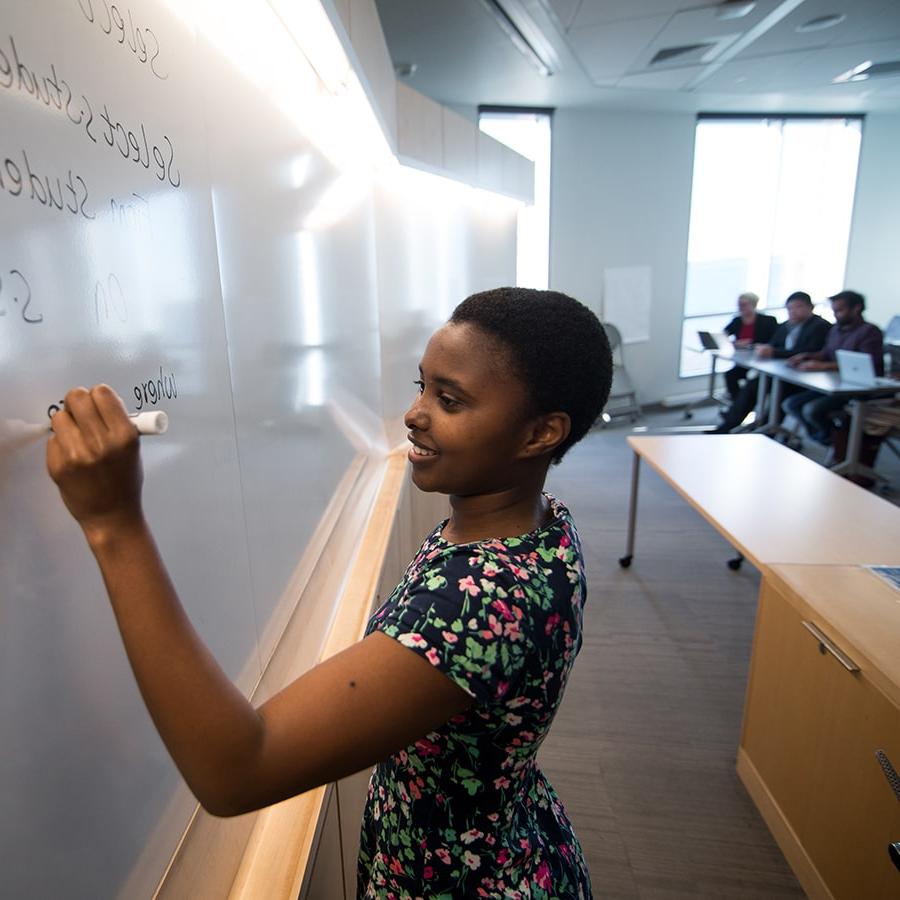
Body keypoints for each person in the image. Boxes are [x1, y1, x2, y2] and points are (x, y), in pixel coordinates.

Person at [46, 287, 613, 899]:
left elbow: (236, 772)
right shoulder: (538, 524)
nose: (415, 414)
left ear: (540, 434)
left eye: (449, 400)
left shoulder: (478, 605)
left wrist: (113, 523)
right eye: (421, 385)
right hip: (518, 838)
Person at [710, 292, 830, 433]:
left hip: (803, 377)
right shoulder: (786, 325)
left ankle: (766, 431)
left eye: (798, 307)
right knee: (753, 385)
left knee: (779, 394)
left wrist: (774, 352)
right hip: (782, 371)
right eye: (790, 308)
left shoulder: (820, 326)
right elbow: (773, 344)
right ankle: (729, 425)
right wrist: (767, 349)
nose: (793, 312)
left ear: (811, 307)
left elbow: (808, 351)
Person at [782, 289, 884, 444]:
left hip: (856, 389)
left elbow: (861, 365)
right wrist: (807, 356)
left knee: (812, 410)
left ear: (856, 309)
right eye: (834, 310)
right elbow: (827, 352)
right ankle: (826, 439)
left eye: (840, 310)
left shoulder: (869, 332)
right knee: (791, 404)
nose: (836, 314)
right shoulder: (836, 329)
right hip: (833, 384)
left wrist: (822, 366)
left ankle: (836, 442)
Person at [722, 292, 778, 399]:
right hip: (742, 358)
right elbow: (723, 336)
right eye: (739, 304)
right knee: (730, 375)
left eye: (744, 304)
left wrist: (752, 345)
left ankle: (743, 404)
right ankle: (737, 403)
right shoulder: (737, 320)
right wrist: (734, 343)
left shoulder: (768, 321)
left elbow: (775, 340)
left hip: (762, 359)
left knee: (754, 381)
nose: (741, 307)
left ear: (754, 305)